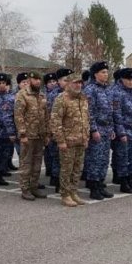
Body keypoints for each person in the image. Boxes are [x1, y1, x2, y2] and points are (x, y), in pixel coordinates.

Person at [49, 72, 89, 207]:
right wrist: (60, 141)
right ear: (68, 83)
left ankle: (73, 192)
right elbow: (55, 121)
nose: (78, 85)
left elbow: (86, 119)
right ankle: (65, 194)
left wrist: (86, 137)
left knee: (77, 169)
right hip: (68, 142)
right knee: (67, 169)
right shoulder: (61, 99)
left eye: (80, 83)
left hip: (80, 140)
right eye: (75, 82)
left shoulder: (82, 98)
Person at [13, 71, 48, 200]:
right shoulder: (22, 94)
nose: (38, 81)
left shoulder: (42, 95)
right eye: (35, 79)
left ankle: (34, 186)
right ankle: (25, 189)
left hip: (39, 135)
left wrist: (47, 133)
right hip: (28, 135)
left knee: (37, 163)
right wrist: (22, 134)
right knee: (26, 163)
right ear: (30, 80)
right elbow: (18, 115)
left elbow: (46, 115)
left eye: (39, 79)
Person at [83, 61, 116, 201]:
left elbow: (111, 111)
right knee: (94, 159)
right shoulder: (90, 89)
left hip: (107, 129)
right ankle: (93, 187)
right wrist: (93, 130)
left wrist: (112, 128)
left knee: (104, 159)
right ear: (95, 74)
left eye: (106, 72)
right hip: (97, 129)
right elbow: (88, 112)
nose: (106, 74)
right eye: (103, 72)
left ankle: (101, 184)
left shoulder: (107, 89)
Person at [112, 68, 132, 193]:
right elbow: (117, 115)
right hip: (124, 131)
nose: (131, 82)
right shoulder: (117, 93)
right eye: (128, 79)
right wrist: (121, 133)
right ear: (122, 79)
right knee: (123, 158)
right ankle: (124, 182)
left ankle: (131, 180)